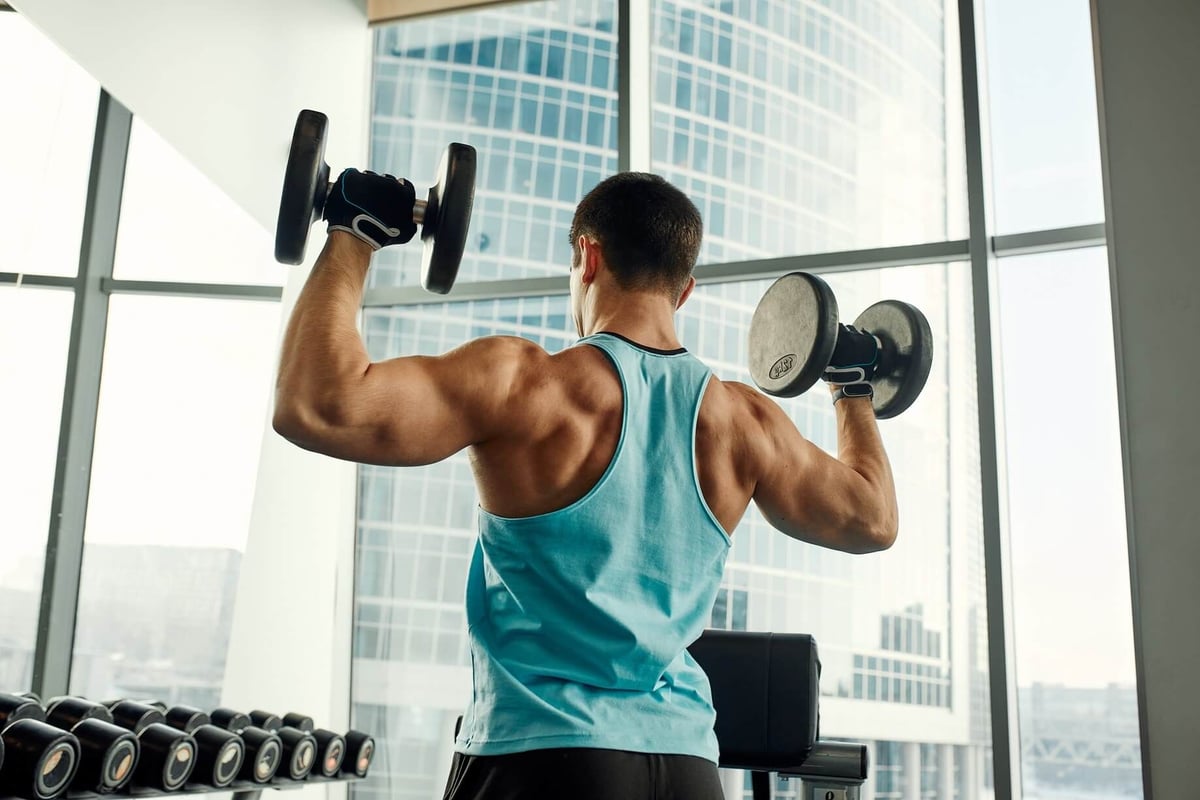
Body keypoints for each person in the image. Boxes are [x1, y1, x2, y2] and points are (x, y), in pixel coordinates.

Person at [273, 169, 899, 800]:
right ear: (684, 290)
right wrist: (852, 389)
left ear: (587, 257)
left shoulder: (524, 383)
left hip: (543, 757)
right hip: (687, 767)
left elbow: (316, 405)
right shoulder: (747, 423)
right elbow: (872, 518)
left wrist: (355, 233)